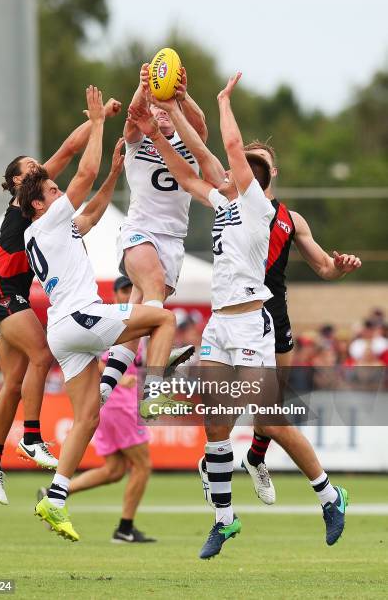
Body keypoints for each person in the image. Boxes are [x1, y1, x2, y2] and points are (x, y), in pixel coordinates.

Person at [128, 72, 349, 559]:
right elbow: (189, 171)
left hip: (251, 322)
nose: (225, 168)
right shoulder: (225, 197)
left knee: (268, 416)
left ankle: (330, 496)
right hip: (220, 323)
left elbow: (224, 144)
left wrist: (222, 100)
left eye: (237, 168)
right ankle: (225, 520)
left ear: (253, 181)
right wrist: (162, 127)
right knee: (215, 423)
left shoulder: (255, 204)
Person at [20, 86, 183, 542]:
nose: (58, 191)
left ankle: (54, 499)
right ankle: (154, 393)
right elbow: (84, 172)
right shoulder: (46, 220)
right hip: (79, 317)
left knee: (87, 420)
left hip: (62, 331)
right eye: (52, 189)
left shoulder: (44, 232)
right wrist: (96, 122)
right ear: (37, 203)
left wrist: (115, 172)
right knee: (163, 318)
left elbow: (90, 213)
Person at [0, 88, 122, 505]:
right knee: (42, 353)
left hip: (8, 292)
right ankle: (33, 438)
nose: (39, 167)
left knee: (15, 381)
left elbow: (73, 146)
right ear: (19, 182)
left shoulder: (37, 196)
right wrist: (96, 122)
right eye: (31, 167)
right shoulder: (25, 204)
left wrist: (101, 119)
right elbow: (76, 154)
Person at [239, 140, 361, 505]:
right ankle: (224, 461)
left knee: (271, 409)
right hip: (239, 316)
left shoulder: (290, 220)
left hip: (276, 319)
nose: (258, 168)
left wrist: (339, 268)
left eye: (263, 163)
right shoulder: (230, 208)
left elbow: (324, 267)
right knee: (260, 407)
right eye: (251, 162)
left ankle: (255, 458)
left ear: (272, 171)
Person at [99, 64, 205, 402]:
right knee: (154, 290)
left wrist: (182, 97)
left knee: (138, 311)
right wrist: (144, 88)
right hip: (140, 231)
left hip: (174, 241)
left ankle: (106, 385)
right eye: (154, 109)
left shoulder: (188, 145)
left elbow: (200, 126)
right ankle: (158, 376)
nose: (159, 114)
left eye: (165, 109)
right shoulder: (138, 142)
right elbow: (132, 118)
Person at [38, 276, 156, 544]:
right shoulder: (111, 321)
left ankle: (54, 492)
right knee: (142, 465)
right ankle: (125, 528)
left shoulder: (127, 321)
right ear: (114, 294)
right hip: (117, 403)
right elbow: (95, 359)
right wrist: (116, 376)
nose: (128, 294)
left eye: (132, 289)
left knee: (114, 470)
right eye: (124, 290)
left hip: (110, 404)